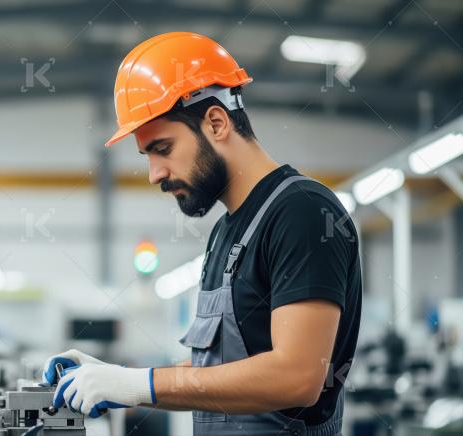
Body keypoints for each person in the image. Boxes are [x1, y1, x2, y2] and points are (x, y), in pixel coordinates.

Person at [43, 32, 361, 435]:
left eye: (163, 148)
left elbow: (297, 377)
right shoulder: (225, 233)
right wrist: (118, 379)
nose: (154, 173)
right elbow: (218, 371)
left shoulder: (302, 212)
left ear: (215, 122)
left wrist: (141, 386)